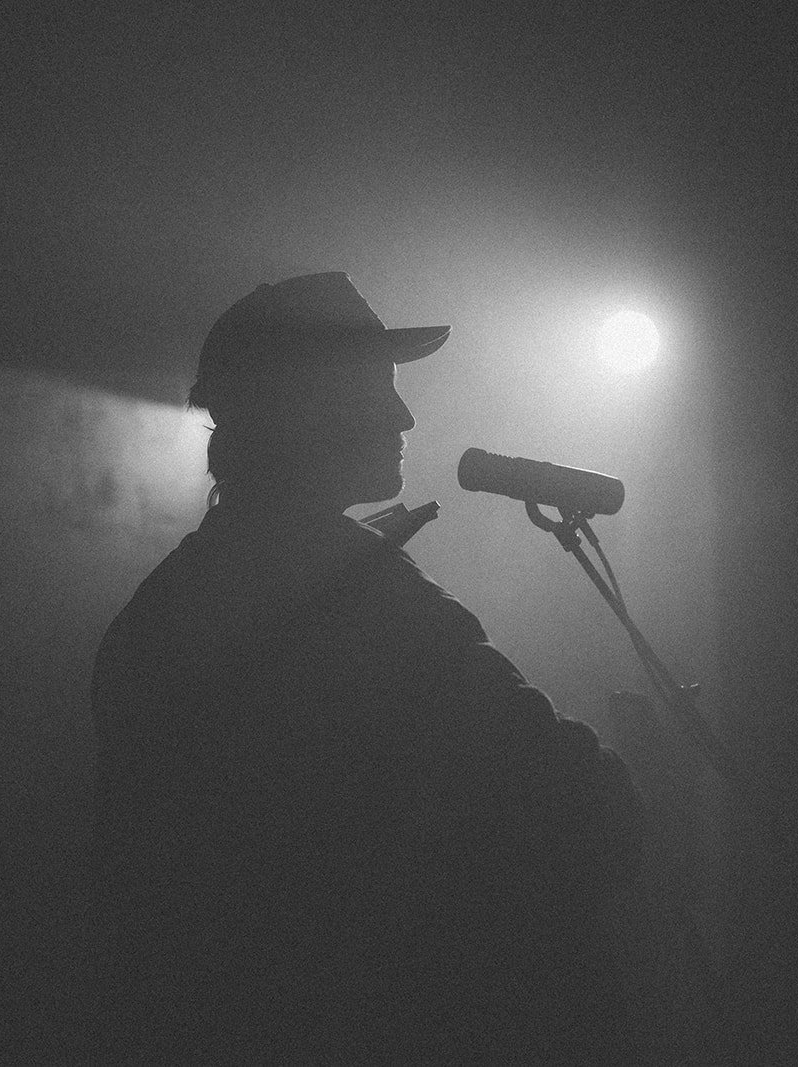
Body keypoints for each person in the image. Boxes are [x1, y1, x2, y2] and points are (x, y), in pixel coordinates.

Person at [91, 272, 645, 1063]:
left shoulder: (166, 607)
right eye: (372, 388)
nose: (403, 415)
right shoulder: (360, 599)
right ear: (301, 411)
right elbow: (554, 782)